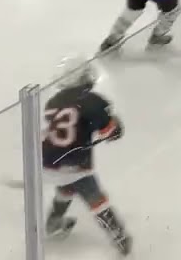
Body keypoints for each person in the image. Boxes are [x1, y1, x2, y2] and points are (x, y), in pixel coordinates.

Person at [42, 57, 132, 256]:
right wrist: (115, 125)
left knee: (65, 187)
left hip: (49, 162)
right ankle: (119, 236)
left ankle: (53, 223)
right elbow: (110, 131)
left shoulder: (53, 101)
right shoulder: (93, 100)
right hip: (75, 164)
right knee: (94, 197)